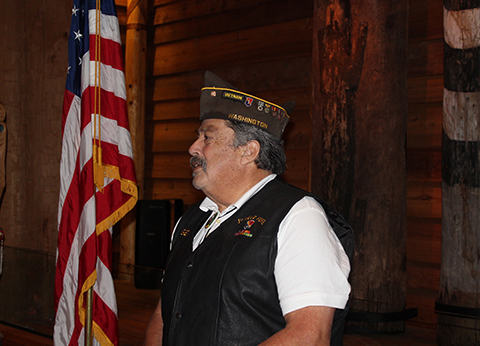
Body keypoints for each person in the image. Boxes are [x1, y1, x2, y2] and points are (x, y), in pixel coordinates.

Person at [144, 71, 354, 346]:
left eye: (207, 137)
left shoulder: (299, 217)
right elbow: (165, 314)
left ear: (248, 151)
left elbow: (309, 336)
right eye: (198, 137)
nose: (193, 148)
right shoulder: (190, 222)